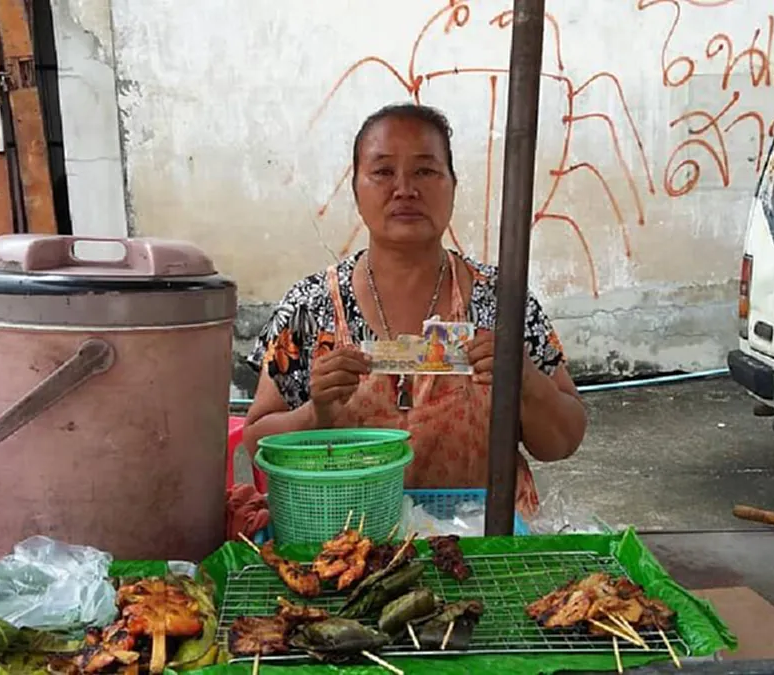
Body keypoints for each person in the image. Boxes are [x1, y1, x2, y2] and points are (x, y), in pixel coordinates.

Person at [243, 103, 587, 516]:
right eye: (383, 171)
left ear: (452, 185)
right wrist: (315, 414)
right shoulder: (311, 307)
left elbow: (563, 440)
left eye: (425, 171)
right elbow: (257, 441)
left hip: (483, 548)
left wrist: (525, 379)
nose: (404, 189)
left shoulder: (502, 302)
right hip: (350, 550)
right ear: (355, 189)